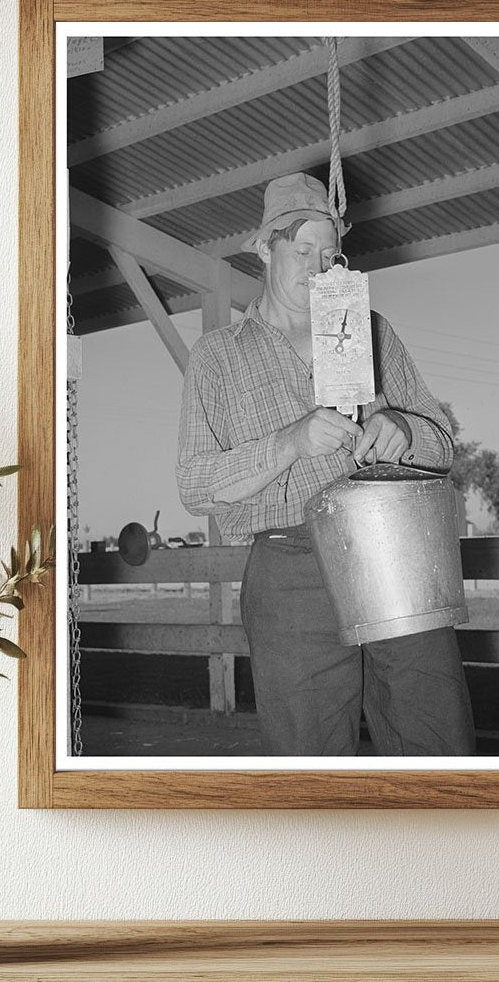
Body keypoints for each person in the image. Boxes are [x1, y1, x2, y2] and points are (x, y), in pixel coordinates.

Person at [176, 172, 475, 757]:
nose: (318, 267)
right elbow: (196, 485)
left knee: (438, 742)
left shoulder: (367, 329)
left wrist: (404, 430)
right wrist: (290, 442)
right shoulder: (216, 357)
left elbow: (442, 445)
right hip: (289, 571)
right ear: (265, 249)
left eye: (330, 253)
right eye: (303, 250)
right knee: (308, 760)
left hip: (396, 550)